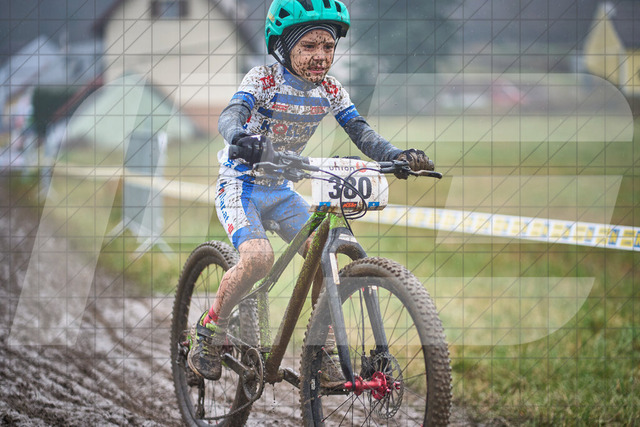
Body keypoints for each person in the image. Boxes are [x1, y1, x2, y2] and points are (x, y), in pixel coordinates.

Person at [188, 0, 434, 381]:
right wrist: (238, 136)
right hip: (240, 184)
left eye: (329, 46)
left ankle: (320, 350)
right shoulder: (263, 80)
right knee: (258, 259)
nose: (321, 56)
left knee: (325, 254)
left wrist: (396, 156)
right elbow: (231, 114)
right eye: (309, 46)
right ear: (284, 47)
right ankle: (210, 328)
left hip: (282, 191)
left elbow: (360, 131)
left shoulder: (331, 89)